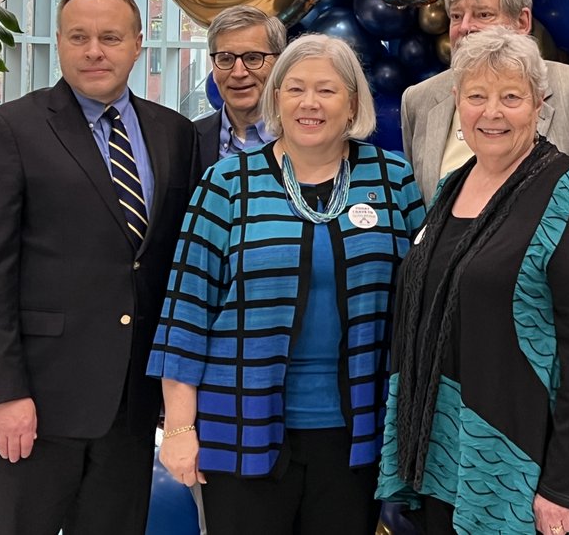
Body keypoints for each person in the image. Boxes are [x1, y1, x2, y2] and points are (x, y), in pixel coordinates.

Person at [147, 33, 425, 535]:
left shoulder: (393, 180)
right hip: (240, 428)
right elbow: (185, 315)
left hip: (357, 431)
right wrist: (181, 429)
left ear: (354, 102)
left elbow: (419, 303)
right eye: (294, 89)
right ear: (276, 98)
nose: (309, 103)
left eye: (326, 90)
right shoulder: (227, 184)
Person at [0, 0, 201, 535]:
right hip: (35, 403)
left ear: (138, 43)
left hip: (131, 406)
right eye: (79, 36)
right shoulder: (9, 130)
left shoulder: (175, 135)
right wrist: (2, 391)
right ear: (60, 43)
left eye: (110, 37)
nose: (95, 51)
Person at [378, 28, 569, 535]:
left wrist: (564, 488)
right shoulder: (455, 186)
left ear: (540, 104)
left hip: (523, 466)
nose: (491, 113)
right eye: (477, 96)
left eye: (511, 97)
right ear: (457, 103)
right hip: (444, 459)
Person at [401, 0, 569, 203]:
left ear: (522, 22)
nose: (466, 27)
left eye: (483, 14)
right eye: (457, 16)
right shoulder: (418, 100)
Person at [196, 4, 288, 168]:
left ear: (279, 63)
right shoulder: (189, 140)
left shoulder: (306, 137)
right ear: (213, 64)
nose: (238, 73)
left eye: (253, 58)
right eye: (226, 59)